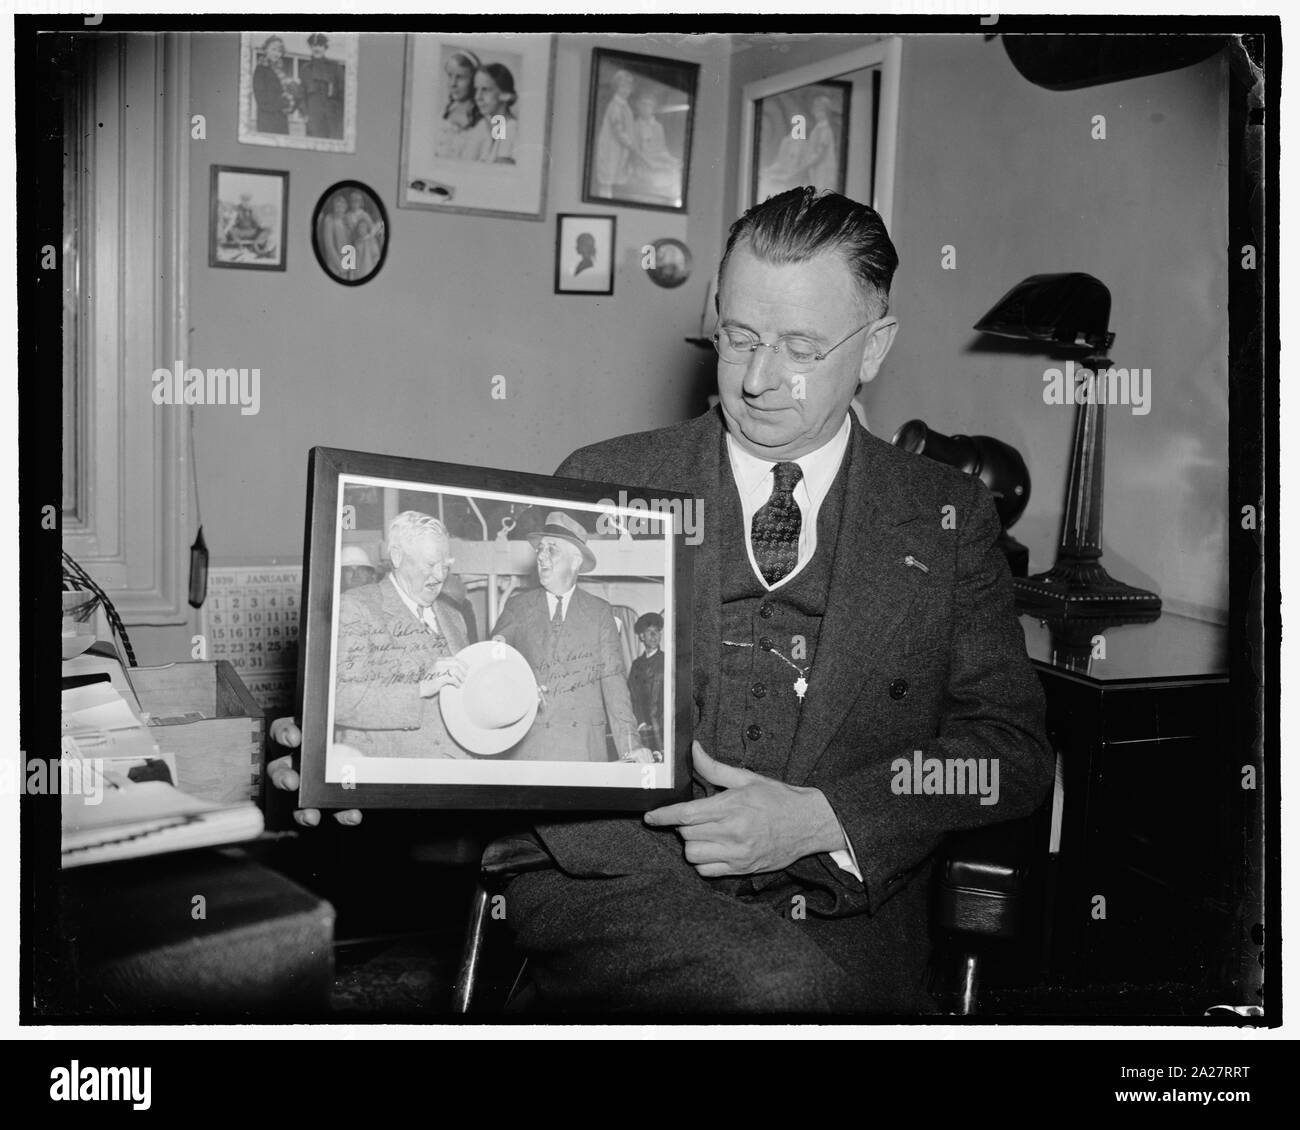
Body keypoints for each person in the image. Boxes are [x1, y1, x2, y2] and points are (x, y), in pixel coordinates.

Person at [270, 188, 1052, 1015]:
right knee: (790, 999)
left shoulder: (947, 519)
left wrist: (830, 816)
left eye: (799, 348)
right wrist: (352, 757)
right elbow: (515, 713)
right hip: (616, 885)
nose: (756, 380)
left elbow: (1006, 751)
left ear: (873, 348)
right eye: (739, 337)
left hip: (847, 911)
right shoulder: (606, 481)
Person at [489, 512, 647, 763]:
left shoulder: (599, 613)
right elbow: (493, 661)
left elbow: (614, 685)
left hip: (582, 748)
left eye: (552, 549)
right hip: (527, 750)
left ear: (575, 561)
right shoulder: (517, 607)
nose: (541, 555)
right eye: (540, 549)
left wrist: (631, 746)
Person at [330, 511, 470, 759]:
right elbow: (337, 699)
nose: (439, 576)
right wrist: (420, 687)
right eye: (429, 564)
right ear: (397, 557)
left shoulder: (453, 617)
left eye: (445, 566)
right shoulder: (355, 608)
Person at [625, 93, 682, 200]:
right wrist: (649, 163)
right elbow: (635, 151)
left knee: (675, 171)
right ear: (638, 106)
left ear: (653, 108)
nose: (646, 108)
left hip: (656, 162)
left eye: (649, 105)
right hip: (641, 164)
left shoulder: (658, 127)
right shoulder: (633, 126)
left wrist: (672, 160)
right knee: (653, 179)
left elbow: (662, 149)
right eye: (643, 104)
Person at [591, 69, 637, 196]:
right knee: (607, 178)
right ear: (616, 87)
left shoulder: (625, 106)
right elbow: (618, 130)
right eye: (622, 87)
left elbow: (629, 127)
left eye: (628, 87)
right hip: (611, 147)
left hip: (619, 149)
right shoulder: (615, 106)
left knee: (617, 174)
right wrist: (630, 144)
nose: (625, 90)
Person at [627, 611, 665, 753]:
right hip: (644, 728)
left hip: (664, 726)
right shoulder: (636, 665)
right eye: (649, 632)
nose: (654, 636)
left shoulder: (667, 661)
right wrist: (641, 723)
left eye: (657, 631)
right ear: (642, 636)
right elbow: (632, 696)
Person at [433, 50, 481, 160]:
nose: (453, 83)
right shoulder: (442, 114)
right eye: (450, 76)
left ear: (475, 80)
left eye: (460, 77)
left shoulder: (488, 117)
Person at [467, 63, 518, 164]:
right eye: (476, 89)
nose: (478, 97)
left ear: (505, 95)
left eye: (485, 89)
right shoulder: (482, 127)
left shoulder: (513, 131)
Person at [251, 35, 301, 135]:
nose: (276, 53)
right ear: (265, 50)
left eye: (279, 51)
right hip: (267, 119)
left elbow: (293, 94)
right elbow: (261, 98)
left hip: (282, 119)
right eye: (273, 49)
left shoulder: (281, 72)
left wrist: (292, 103)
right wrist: (282, 104)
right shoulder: (261, 70)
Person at [299, 33, 344, 140]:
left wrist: (341, 115)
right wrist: (305, 114)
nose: (316, 48)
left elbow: (343, 92)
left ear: (325, 48)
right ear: (310, 47)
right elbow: (302, 94)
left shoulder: (335, 67)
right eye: (313, 45)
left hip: (332, 118)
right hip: (313, 117)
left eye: (320, 45)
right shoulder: (305, 69)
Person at [344, 191, 384, 280]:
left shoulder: (364, 214)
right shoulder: (347, 215)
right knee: (352, 268)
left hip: (364, 245)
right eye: (352, 201)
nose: (354, 203)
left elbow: (373, 228)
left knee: (365, 266)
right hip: (351, 244)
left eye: (357, 201)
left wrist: (367, 236)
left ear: (360, 203)